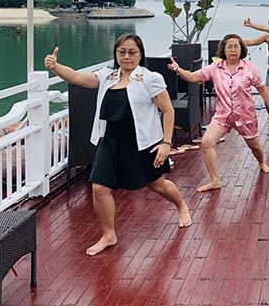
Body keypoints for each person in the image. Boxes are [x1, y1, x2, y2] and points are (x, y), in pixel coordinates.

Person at [44, 34, 192, 256]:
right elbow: (75, 77)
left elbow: (168, 110)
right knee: (100, 188)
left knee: (157, 185)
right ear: (116, 54)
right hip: (110, 141)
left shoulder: (150, 79)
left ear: (140, 54)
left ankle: (181, 205)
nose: (126, 57)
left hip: (141, 143)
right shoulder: (108, 76)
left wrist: (166, 143)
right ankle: (108, 235)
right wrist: (55, 67)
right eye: (122, 52)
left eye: (132, 52)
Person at [169, 34, 269, 192]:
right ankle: (215, 181)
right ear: (223, 50)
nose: (233, 49)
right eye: (230, 46)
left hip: (245, 116)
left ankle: (261, 162)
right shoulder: (215, 68)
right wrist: (178, 69)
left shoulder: (249, 68)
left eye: (236, 46)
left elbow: (262, 89)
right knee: (207, 143)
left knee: (254, 146)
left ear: (241, 49)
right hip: (223, 116)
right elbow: (193, 77)